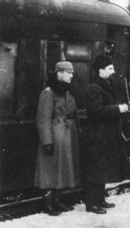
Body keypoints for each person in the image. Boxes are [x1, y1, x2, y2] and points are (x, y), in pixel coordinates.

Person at [84, 55, 129, 214]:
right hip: (98, 135)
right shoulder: (93, 88)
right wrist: (118, 108)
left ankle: (99, 199)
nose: (113, 71)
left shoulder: (106, 85)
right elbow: (96, 110)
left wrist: (120, 109)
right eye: (110, 68)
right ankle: (91, 203)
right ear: (101, 70)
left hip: (107, 134)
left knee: (102, 168)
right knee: (96, 168)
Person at [35, 61, 80, 216]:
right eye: (69, 72)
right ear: (59, 73)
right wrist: (47, 141)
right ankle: (47, 203)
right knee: (50, 170)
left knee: (61, 169)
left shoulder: (67, 91)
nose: (72, 75)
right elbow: (43, 119)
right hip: (54, 136)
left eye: (72, 72)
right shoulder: (48, 93)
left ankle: (57, 200)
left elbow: (74, 113)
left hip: (66, 136)